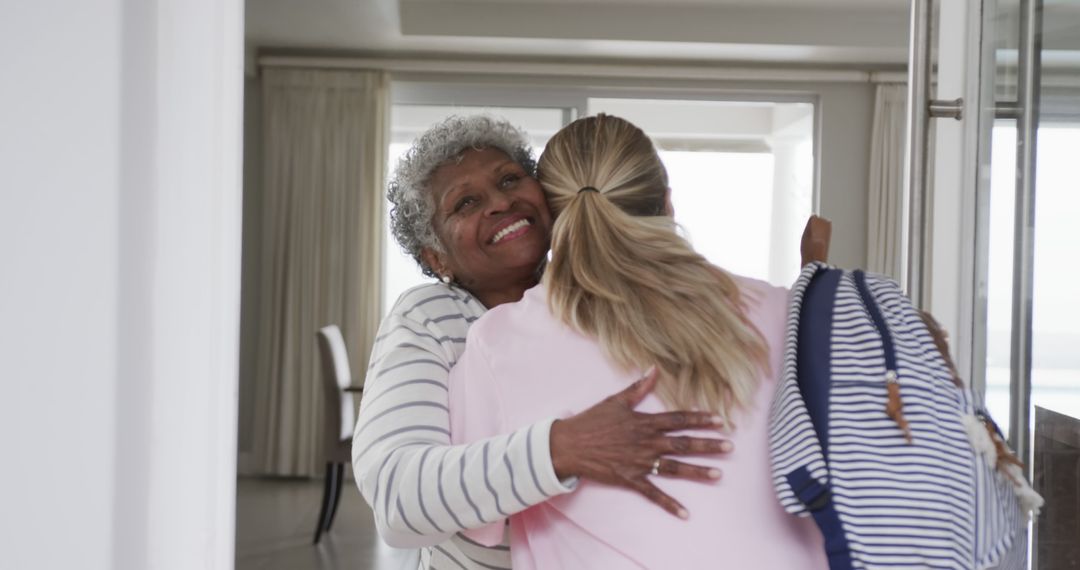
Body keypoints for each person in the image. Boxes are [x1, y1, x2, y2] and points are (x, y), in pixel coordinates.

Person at [352, 115, 735, 570]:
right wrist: (564, 448)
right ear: (436, 258)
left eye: (510, 179)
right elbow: (398, 502)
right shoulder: (430, 318)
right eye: (466, 202)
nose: (500, 203)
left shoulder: (601, 301)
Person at [447, 114, 829, 569]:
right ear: (667, 204)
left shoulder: (498, 340)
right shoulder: (791, 309)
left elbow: (475, 523)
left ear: (552, 226)